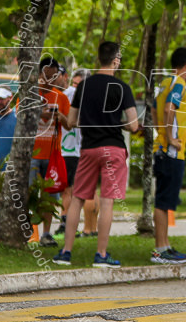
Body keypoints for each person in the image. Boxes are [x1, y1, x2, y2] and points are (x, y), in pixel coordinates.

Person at [53, 42, 139, 268]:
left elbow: (71, 122)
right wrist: (117, 123)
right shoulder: (122, 87)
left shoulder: (83, 87)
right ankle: (101, 254)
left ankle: (65, 252)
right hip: (113, 149)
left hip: (89, 149)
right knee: (107, 202)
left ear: (99, 58)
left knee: (77, 199)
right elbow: (134, 125)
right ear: (116, 60)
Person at [151, 47, 186, 265]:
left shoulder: (163, 83)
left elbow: (153, 108)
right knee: (163, 200)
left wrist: (159, 132)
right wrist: (170, 137)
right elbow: (169, 109)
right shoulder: (179, 83)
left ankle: (165, 245)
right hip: (171, 151)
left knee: (165, 200)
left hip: (162, 148)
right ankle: (160, 249)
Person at [31, 56, 72, 246]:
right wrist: (39, 112)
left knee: (50, 196)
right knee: (28, 194)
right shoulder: (30, 95)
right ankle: (30, 232)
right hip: (32, 154)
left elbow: (71, 124)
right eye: (46, 77)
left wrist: (59, 116)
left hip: (52, 154)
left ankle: (46, 234)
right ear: (39, 74)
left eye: (53, 77)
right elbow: (18, 117)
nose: (49, 81)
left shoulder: (61, 98)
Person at [57, 68, 97, 239]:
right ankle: (91, 228)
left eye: (76, 83)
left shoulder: (70, 94)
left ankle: (65, 225)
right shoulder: (94, 97)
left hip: (70, 149)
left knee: (68, 190)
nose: (74, 86)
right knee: (90, 189)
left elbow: (69, 121)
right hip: (88, 148)